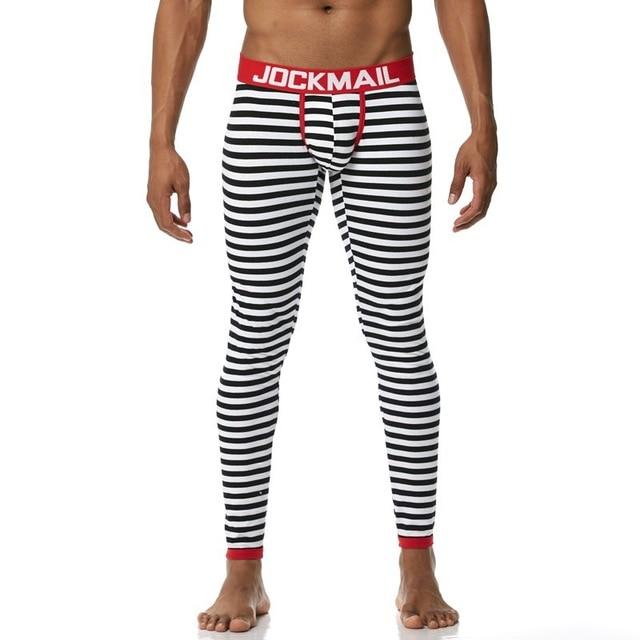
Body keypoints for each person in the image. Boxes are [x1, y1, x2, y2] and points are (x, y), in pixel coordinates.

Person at [146, 0, 497, 632]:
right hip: (268, 99)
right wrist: (159, 141)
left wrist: (483, 122)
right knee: (254, 339)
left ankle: (417, 562)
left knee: (399, 336)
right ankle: (242, 569)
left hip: (386, 96)